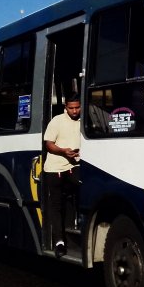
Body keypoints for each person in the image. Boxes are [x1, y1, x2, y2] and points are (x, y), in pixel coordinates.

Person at [43, 93, 81, 258]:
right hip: (55, 168)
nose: (74, 111)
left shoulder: (84, 121)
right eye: (71, 108)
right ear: (66, 107)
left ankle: (79, 229)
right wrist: (64, 151)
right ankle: (59, 242)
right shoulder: (57, 121)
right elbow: (49, 145)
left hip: (75, 166)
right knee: (56, 205)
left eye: (77, 107)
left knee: (81, 191)